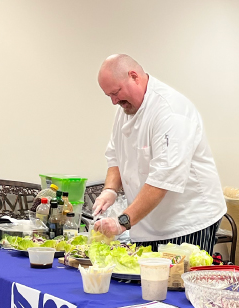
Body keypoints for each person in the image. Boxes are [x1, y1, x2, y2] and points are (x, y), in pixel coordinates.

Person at [92, 54, 227, 252]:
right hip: (145, 223)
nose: (114, 102)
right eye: (109, 96)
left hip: (186, 222)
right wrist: (109, 190)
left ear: (134, 76)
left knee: (177, 282)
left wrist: (122, 221)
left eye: (116, 92)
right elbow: (115, 155)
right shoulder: (125, 109)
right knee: (144, 281)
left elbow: (162, 179)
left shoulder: (171, 111)